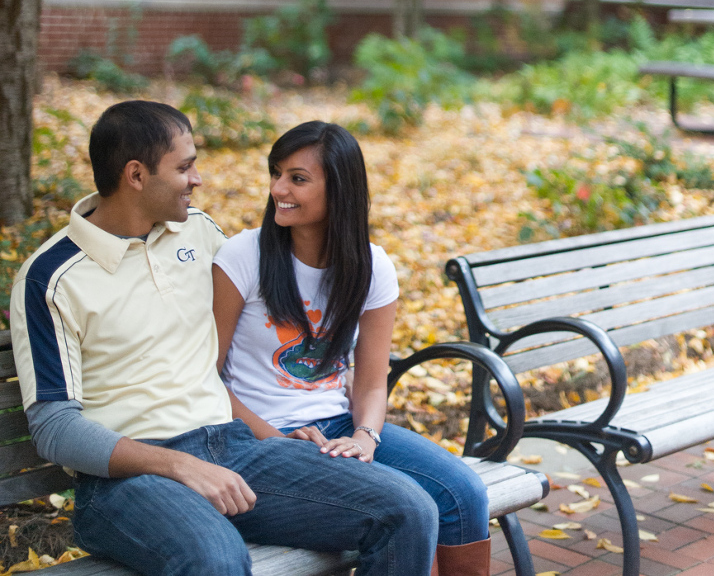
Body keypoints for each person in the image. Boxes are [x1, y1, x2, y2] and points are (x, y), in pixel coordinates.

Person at [10, 101, 438, 576]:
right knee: (216, 559)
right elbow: (54, 428)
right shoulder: (52, 278)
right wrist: (176, 465)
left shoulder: (199, 231)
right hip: (126, 480)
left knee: (407, 509)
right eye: (185, 166)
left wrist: (277, 432)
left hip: (233, 448)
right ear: (136, 175)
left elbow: (258, 319)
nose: (198, 179)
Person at [212, 120, 491, 576]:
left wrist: (365, 437)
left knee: (464, 492)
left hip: (338, 428)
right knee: (409, 507)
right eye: (276, 172)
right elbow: (205, 377)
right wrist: (277, 439)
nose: (278, 188)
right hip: (256, 438)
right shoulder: (244, 256)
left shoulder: (372, 266)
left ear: (339, 190)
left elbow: (371, 383)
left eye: (297, 178)